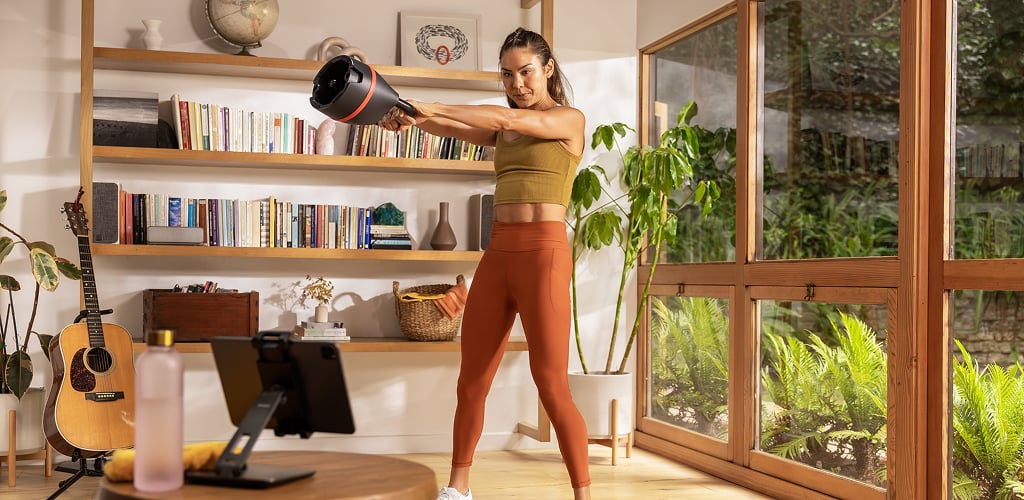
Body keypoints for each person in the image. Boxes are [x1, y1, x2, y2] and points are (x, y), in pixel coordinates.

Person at [378, 27, 592, 500]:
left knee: (551, 384)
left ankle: (583, 494)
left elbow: (497, 116)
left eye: (526, 72)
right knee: (472, 380)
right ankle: (459, 489)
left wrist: (425, 105)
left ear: (548, 69)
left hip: (544, 256)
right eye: (508, 74)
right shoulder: (503, 128)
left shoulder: (568, 120)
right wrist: (411, 118)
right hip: (498, 256)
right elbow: (452, 127)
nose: (517, 83)